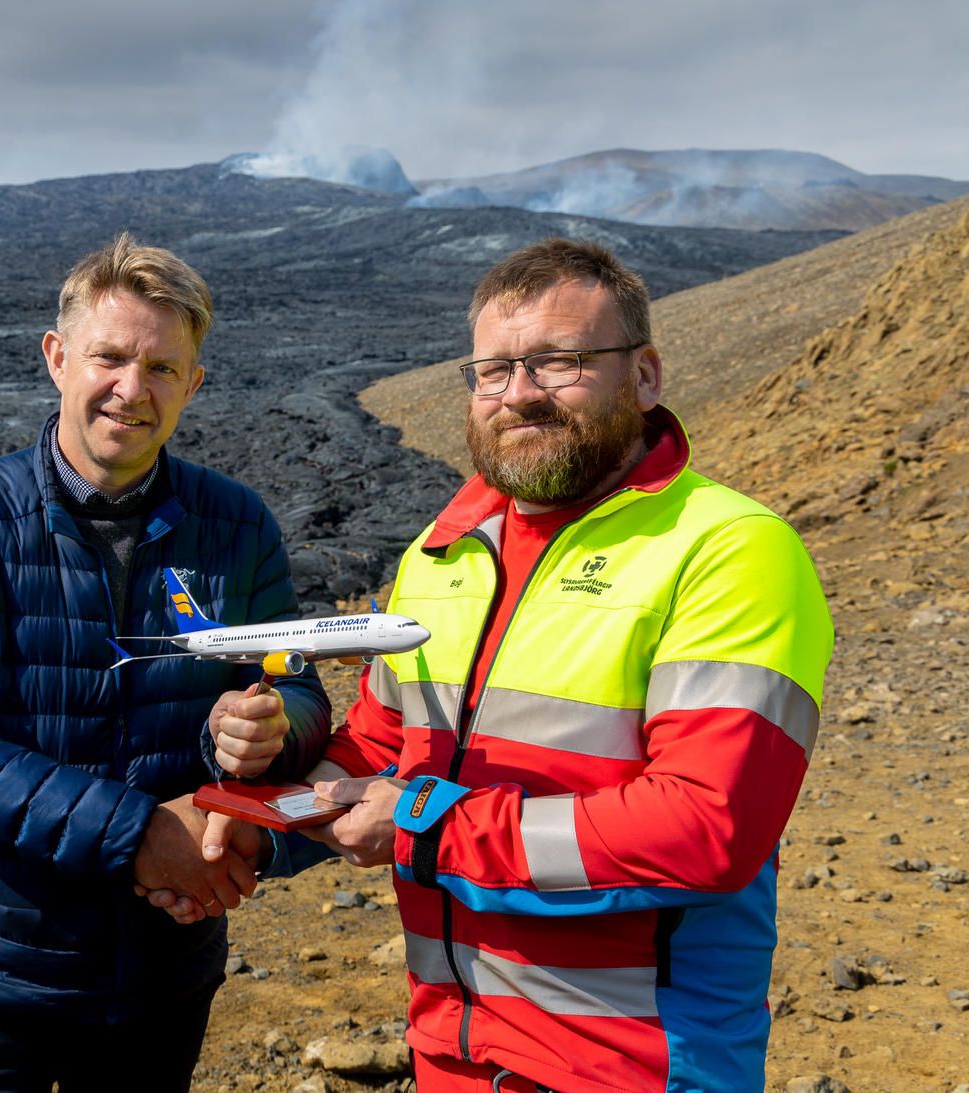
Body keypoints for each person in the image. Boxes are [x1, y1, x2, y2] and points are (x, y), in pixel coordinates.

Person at [197, 237, 833, 1091]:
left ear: (644, 377)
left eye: (560, 361)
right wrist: (261, 805)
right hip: (451, 1053)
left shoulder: (729, 551)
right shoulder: (440, 552)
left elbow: (705, 827)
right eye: (493, 370)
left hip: (634, 1067)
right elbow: (383, 750)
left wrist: (430, 827)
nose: (520, 395)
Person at [0, 231, 331, 1092]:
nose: (132, 388)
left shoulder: (237, 526)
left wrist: (267, 729)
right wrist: (138, 834)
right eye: (110, 357)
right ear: (57, 357)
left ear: (192, 384)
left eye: (162, 368)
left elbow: (297, 683)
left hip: (161, 974)